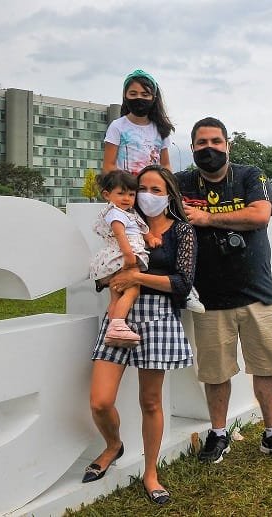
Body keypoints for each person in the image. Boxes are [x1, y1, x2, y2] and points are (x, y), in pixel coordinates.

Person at [176, 117, 272, 464]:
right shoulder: (182, 183)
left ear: (227, 145)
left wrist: (206, 218)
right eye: (202, 143)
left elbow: (260, 215)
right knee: (216, 373)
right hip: (208, 298)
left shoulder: (249, 176)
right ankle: (219, 434)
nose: (209, 149)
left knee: (266, 367)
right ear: (192, 148)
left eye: (216, 142)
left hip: (256, 292)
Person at [84, 165, 197, 505]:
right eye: (141, 188)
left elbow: (182, 283)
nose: (146, 195)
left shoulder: (182, 231)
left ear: (169, 195)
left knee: (150, 401)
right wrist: (113, 281)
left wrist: (137, 278)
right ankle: (113, 445)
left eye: (155, 190)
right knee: (100, 401)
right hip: (119, 313)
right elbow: (106, 270)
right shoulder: (125, 222)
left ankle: (150, 472)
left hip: (157, 315)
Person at [103, 69, 204, 313]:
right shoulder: (118, 126)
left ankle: (185, 286)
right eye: (133, 93)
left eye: (145, 94)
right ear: (125, 96)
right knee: (129, 242)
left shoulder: (160, 129)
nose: (139, 98)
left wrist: (167, 189)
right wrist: (122, 191)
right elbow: (108, 165)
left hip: (152, 189)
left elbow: (166, 164)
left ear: (154, 97)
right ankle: (120, 303)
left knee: (172, 237)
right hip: (129, 195)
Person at [88, 170, 159, 345]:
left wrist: (150, 238)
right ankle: (118, 326)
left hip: (116, 260)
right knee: (133, 291)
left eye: (131, 194)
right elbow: (121, 236)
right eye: (121, 193)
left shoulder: (127, 213)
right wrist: (129, 256)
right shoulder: (116, 213)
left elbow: (139, 229)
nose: (127, 198)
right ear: (107, 195)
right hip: (123, 258)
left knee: (116, 296)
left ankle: (112, 330)